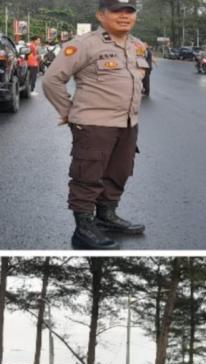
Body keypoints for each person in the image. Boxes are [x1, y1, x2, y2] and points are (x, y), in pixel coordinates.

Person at [42, 0, 147, 250]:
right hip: (93, 124)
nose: (124, 16)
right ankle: (84, 228)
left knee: (119, 171)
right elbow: (51, 81)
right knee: (87, 176)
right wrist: (69, 113)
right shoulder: (84, 45)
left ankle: (106, 216)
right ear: (101, 15)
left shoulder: (137, 46)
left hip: (128, 123)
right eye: (116, 11)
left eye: (129, 11)